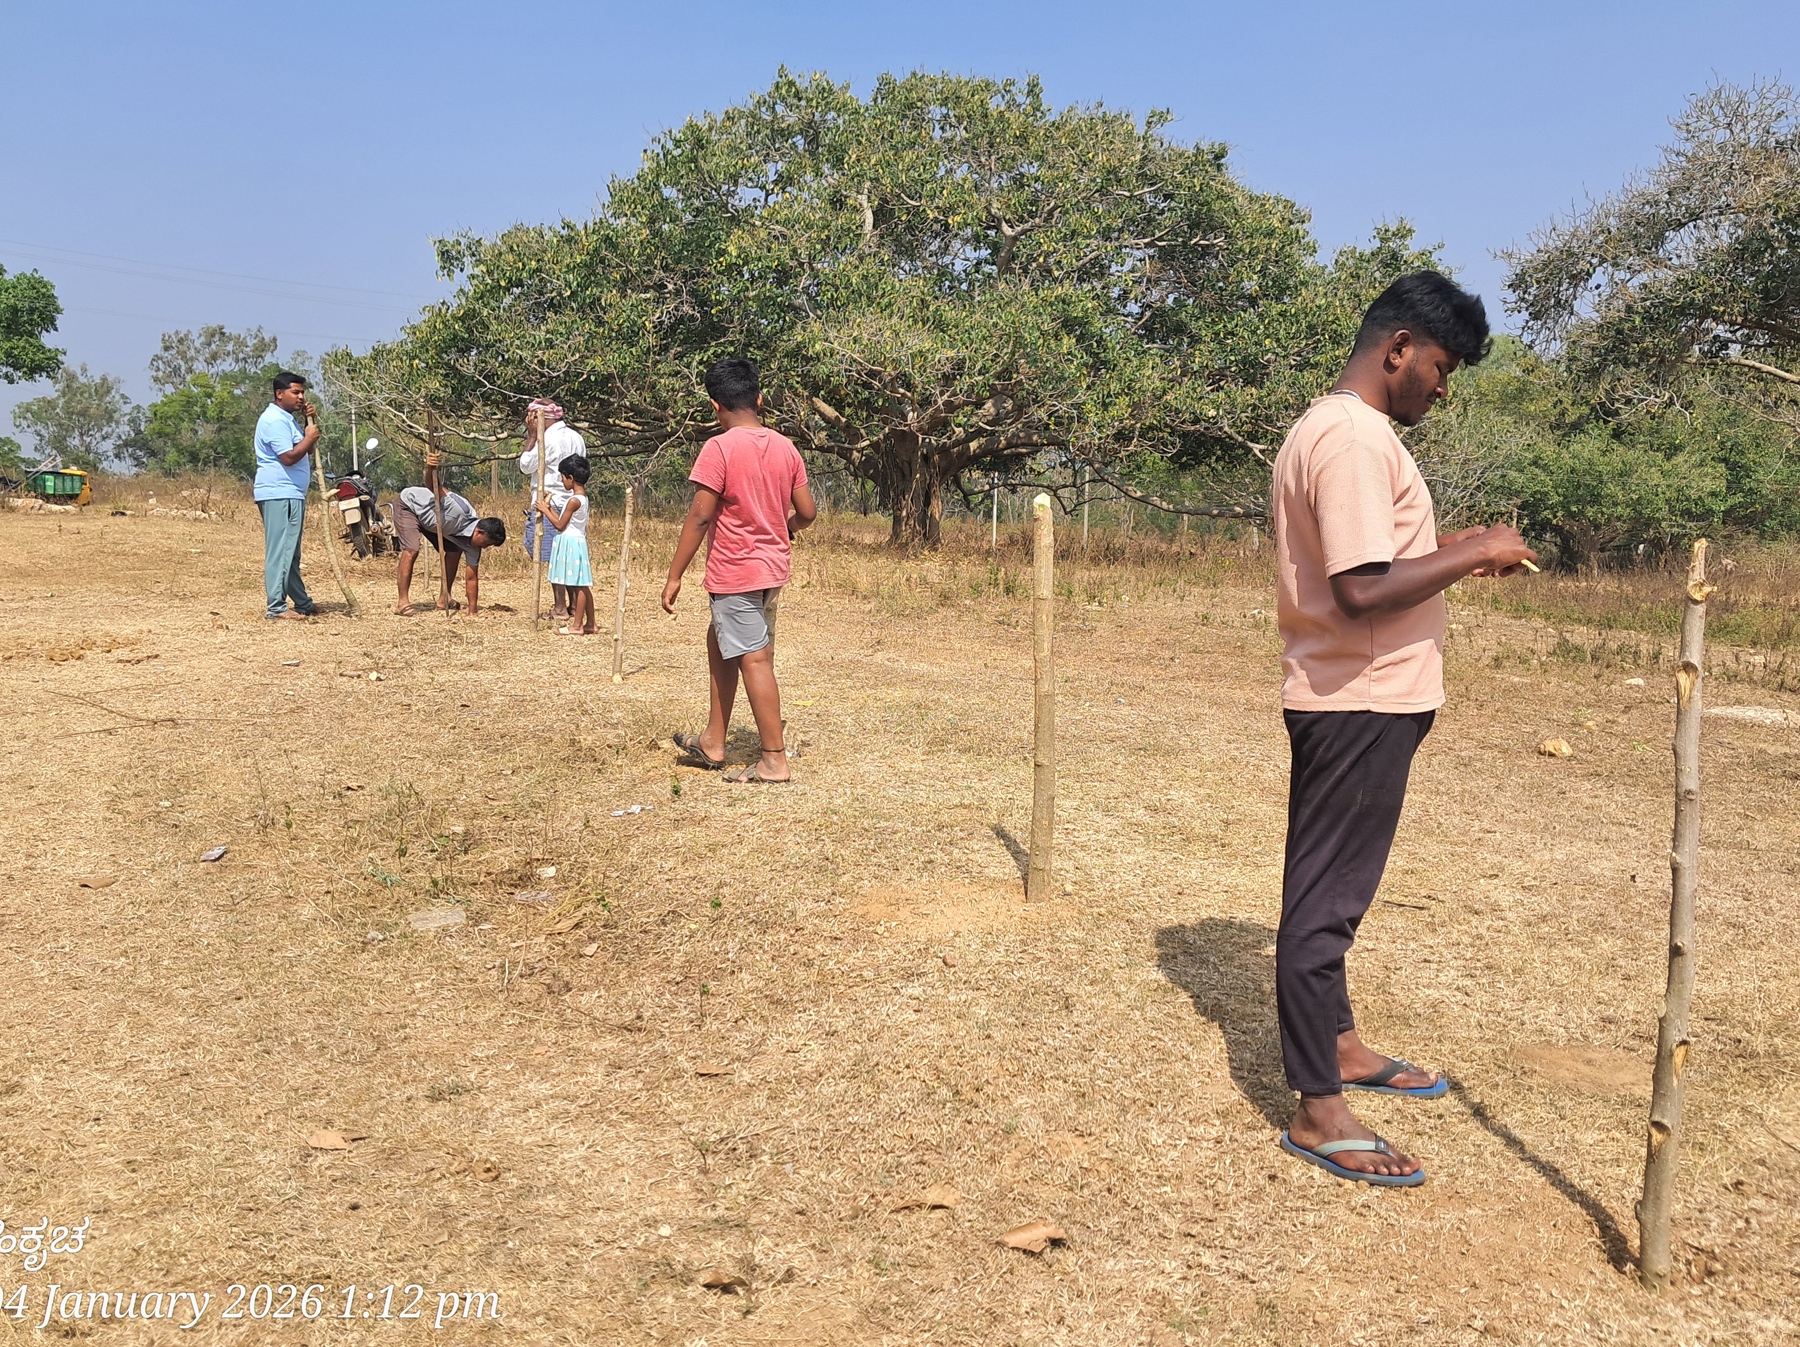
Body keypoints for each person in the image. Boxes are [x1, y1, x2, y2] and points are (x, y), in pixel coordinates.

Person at [1271, 272, 1537, 1187]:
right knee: (1325, 901)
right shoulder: (1350, 438)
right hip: (1361, 701)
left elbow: (1378, 567)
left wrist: (1452, 555)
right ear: (1398, 350)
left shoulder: (1342, 431)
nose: (1443, 386)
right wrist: (1472, 551)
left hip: (1363, 696)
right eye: (1441, 365)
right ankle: (1318, 1105)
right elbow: (1357, 591)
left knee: (1336, 884)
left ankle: (1339, 1046)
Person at [661, 357, 816, 783]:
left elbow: (699, 517)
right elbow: (807, 511)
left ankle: (773, 759)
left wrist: (674, 575)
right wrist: (785, 527)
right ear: (760, 399)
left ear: (715, 406)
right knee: (722, 639)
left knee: (754, 658)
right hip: (771, 572)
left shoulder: (719, 448)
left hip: (736, 572)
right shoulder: (786, 446)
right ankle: (714, 740)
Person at [392, 450, 508, 616]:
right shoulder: (458, 508)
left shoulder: (474, 546)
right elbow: (433, 486)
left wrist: (473, 612)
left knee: (454, 550)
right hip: (411, 507)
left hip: (436, 524)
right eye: (486, 543)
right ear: (479, 532)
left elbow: (472, 578)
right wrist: (430, 467)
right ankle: (402, 603)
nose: (485, 548)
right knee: (412, 549)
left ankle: (444, 598)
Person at [252, 371, 320, 620]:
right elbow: (289, 457)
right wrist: (309, 437)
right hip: (280, 493)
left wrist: (309, 426)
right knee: (280, 551)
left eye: (302, 392)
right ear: (279, 394)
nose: (301, 397)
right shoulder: (274, 420)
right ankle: (277, 608)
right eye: (295, 392)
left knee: (290, 551)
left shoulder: (288, 419)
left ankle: (302, 602)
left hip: (291, 493)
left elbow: (307, 451)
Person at [519, 398, 586, 621]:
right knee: (566, 553)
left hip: (550, 501)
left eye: (532, 418)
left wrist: (531, 437)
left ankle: (559, 608)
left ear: (541, 419)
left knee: (552, 554)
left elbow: (525, 466)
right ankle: (574, 606)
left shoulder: (544, 439)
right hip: (573, 501)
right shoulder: (577, 437)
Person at [538, 455, 595, 635]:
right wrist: (549, 508)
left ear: (571, 478)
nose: (562, 481)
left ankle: (577, 626)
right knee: (582, 585)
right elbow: (563, 520)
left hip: (571, 543)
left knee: (579, 587)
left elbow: (560, 525)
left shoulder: (574, 501)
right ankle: (590, 623)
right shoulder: (580, 499)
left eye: (563, 477)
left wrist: (545, 510)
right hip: (575, 539)